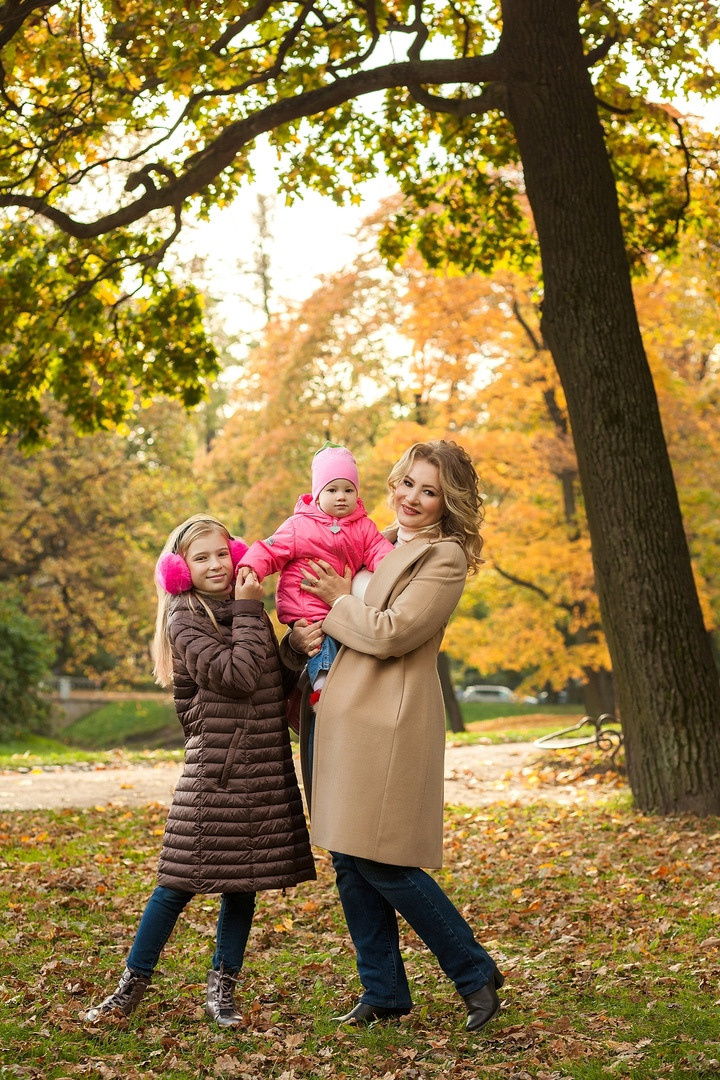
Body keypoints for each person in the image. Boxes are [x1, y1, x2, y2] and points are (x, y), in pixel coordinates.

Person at [291, 440, 505, 1033]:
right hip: (335, 712)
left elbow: (392, 633)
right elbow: (310, 608)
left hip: (387, 717)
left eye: (428, 490)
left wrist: (336, 599)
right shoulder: (371, 539)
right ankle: (382, 991)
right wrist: (298, 639)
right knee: (347, 858)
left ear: (448, 501)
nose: (411, 497)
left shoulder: (444, 558)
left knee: (382, 858)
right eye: (406, 482)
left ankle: (474, 971)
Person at [84, 514, 315, 1027]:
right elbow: (235, 676)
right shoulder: (186, 615)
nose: (215, 565)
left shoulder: (241, 609)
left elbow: (268, 681)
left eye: (221, 554)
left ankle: (222, 992)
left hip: (261, 765)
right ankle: (129, 988)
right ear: (180, 569)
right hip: (219, 771)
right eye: (201, 557)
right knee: (178, 883)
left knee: (243, 883)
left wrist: (292, 649)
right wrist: (253, 610)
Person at [241, 442, 393, 701]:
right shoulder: (299, 526)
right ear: (317, 494)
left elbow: (380, 553)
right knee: (318, 641)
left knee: (345, 645)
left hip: (342, 605)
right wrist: (251, 566)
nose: (341, 496)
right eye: (332, 489)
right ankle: (320, 687)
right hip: (306, 603)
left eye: (348, 489)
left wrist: (395, 571)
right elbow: (271, 549)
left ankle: (341, 691)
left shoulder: (364, 527)